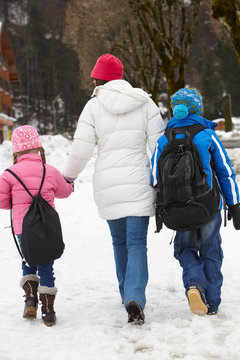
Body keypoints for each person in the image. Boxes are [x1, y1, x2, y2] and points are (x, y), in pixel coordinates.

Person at [63, 53, 165, 323]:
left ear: (98, 77)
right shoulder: (145, 103)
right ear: (121, 76)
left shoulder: (93, 106)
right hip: (138, 183)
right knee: (136, 243)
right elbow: (158, 148)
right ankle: (135, 296)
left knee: (119, 243)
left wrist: (68, 177)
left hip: (108, 184)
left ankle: (126, 296)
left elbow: (81, 149)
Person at [151, 88, 240, 316]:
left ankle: (193, 285)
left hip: (178, 209)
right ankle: (212, 302)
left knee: (185, 249)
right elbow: (225, 172)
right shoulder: (206, 135)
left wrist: (161, 207)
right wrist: (235, 204)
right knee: (211, 250)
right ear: (198, 109)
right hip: (208, 206)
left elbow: (154, 177)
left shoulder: (164, 139)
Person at [0, 125, 73, 326]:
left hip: (23, 228)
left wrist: (16, 203)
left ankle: (30, 302)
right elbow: (65, 191)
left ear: (16, 150)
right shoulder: (49, 170)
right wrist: (71, 184)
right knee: (46, 267)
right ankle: (48, 312)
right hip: (47, 227)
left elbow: (1, 201)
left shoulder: (9, 174)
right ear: (38, 148)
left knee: (28, 261)